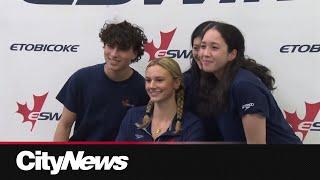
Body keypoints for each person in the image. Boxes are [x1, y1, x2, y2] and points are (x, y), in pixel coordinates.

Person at [197, 21, 302, 144]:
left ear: (232, 54)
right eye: (203, 46)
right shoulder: (217, 81)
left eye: (214, 47)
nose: (205, 53)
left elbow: (256, 146)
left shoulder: (244, 85)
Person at [53, 20, 149, 141]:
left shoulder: (143, 88)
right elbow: (65, 125)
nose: (114, 54)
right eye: (110, 46)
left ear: (134, 53)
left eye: (122, 49)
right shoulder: (81, 78)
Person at [116, 57, 205, 141]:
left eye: (159, 80)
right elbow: (120, 155)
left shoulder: (191, 125)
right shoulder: (132, 116)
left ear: (176, 83)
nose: (151, 86)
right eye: (148, 80)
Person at [183, 21, 223, 141]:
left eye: (212, 47)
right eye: (197, 48)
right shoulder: (185, 82)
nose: (203, 53)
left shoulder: (241, 81)